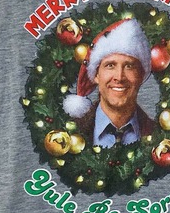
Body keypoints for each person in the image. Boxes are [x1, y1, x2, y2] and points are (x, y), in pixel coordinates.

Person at [62, 18, 155, 147]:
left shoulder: (160, 135)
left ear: (141, 75)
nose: (119, 77)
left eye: (129, 66)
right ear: (96, 75)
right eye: (110, 65)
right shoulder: (68, 135)